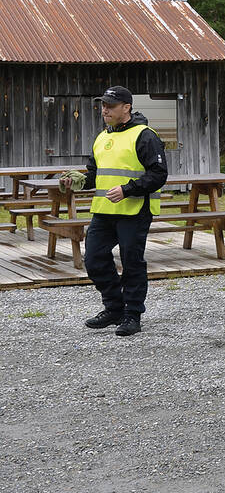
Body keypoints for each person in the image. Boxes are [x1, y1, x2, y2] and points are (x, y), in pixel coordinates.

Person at [66, 86, 168, 337]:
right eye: (103, 105)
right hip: (104, 211)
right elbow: (95, 175)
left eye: (110, 106)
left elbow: (158, 175)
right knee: (94, 260)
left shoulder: (145, 135)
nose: (105, 110)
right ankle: (114, 308)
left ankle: (132, 315)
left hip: (134, 211)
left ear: (126, 108)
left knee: (132, 263)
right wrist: (79, 180)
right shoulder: (102, 137)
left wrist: (128, 189)